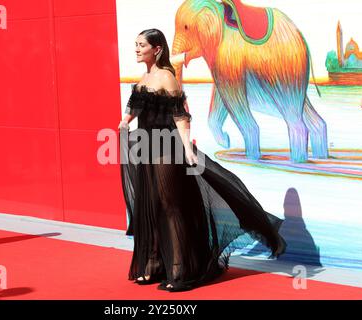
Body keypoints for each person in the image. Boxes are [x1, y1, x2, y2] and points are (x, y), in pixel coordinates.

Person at [118, 28, 286, 292]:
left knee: (171, 206)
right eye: (135, 44)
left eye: (142, 45)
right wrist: (124, 122)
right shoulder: (143, 79)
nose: (137, 49)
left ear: (157, 49)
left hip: (166, 148)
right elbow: (134, 109)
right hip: (145, 148)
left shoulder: (167, 78)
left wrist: (187, 148)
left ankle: (179, 270)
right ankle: (152, 265)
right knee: (150, 206)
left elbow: (181, 118)